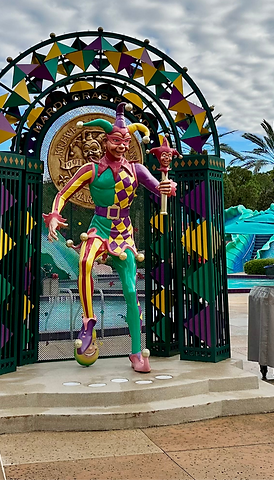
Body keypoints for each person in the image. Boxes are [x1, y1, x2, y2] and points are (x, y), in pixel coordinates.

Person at [45, 103, 176, 373]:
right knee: (84, 261)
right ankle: (88, 321)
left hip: (124, 233)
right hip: (99, 228)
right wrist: (55, 215)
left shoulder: (137, 169)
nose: (122, 147)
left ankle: (136, 352)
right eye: (117, 141)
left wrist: (169, 186)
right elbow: (63, 194)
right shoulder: (91, 170)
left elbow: (158, 187)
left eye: (126, 142)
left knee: (130, 291)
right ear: (106, 141)